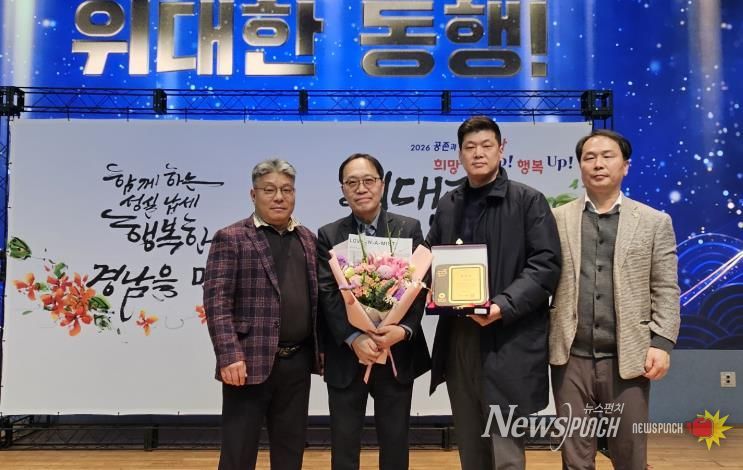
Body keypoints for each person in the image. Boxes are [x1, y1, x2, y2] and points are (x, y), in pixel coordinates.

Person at [426, 116, 562, 470]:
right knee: (470, 444)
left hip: (508, 337)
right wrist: (419, 282)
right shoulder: (449, 204)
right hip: (459, 337)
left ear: (502, 149)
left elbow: (545, 265)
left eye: (487, 145)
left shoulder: (528, 201)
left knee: (506, 452)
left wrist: (503, 305)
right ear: (459, 154)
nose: (478, 153)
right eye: (470, 147)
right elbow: (430, 257)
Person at [549, 129, 680, 469]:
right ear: (580, 166)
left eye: (607, 156)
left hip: (630, 356)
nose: (598, 164)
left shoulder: (654, 222)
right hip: (570, 357)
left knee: (630, 455)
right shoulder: (557, 219)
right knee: (575, 458)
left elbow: (666, 287)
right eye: (589, 157)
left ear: (625, 166)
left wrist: (662, 342)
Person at [203, 159, 321, 470]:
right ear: (253, 194)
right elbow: (216, 302)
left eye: (286, 190)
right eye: (269, 190)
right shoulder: (231, 238)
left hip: (297, 362)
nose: (279, 197)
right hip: (247, 362)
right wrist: (229, 355)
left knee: (290, 451)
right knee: (238, 453)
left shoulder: (308, 239)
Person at [317, 153, 431, 470]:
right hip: (347, 356)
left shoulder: (408, 228)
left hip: (395, 353)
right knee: (344, 445)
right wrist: (353, 337)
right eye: (352, 182)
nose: (361, 188)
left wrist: (402, 330)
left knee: (395, 443)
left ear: (382, 185)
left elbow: (420, 286)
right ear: (343, 189)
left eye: (368, 180)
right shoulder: (328, 234)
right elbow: (328, 293)